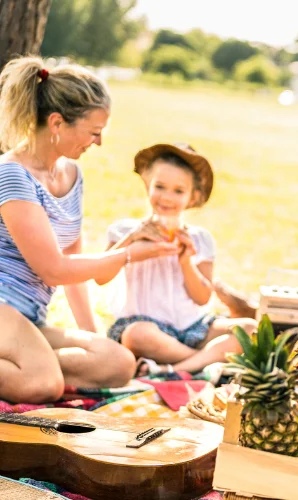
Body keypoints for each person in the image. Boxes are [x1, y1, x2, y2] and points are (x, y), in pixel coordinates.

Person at [0, 57, 176, 403]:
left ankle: (32, 365)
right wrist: (128, 255)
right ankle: (35, 371)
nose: (98, 142)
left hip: (28, 320)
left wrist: (94, 339)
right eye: (94, 131)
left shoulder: (71, 175)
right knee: (43, 386)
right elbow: (52, 269)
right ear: (57, 123)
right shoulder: (12, 176)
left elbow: (74, 262)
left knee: (117, 362)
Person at [105, 143, 256, 375]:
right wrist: (131, 240)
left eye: (178, 191)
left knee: (250, 330)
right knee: (137, 335)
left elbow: (203, 297)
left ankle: (169, 369)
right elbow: (100, 277)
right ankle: (198, 363)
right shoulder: (123, 231)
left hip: (192, 328)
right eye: (160, 187)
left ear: (192, 197)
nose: (167, 197)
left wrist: (186, 262)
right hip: (147, 330)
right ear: (147, 185)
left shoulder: (200, 239)